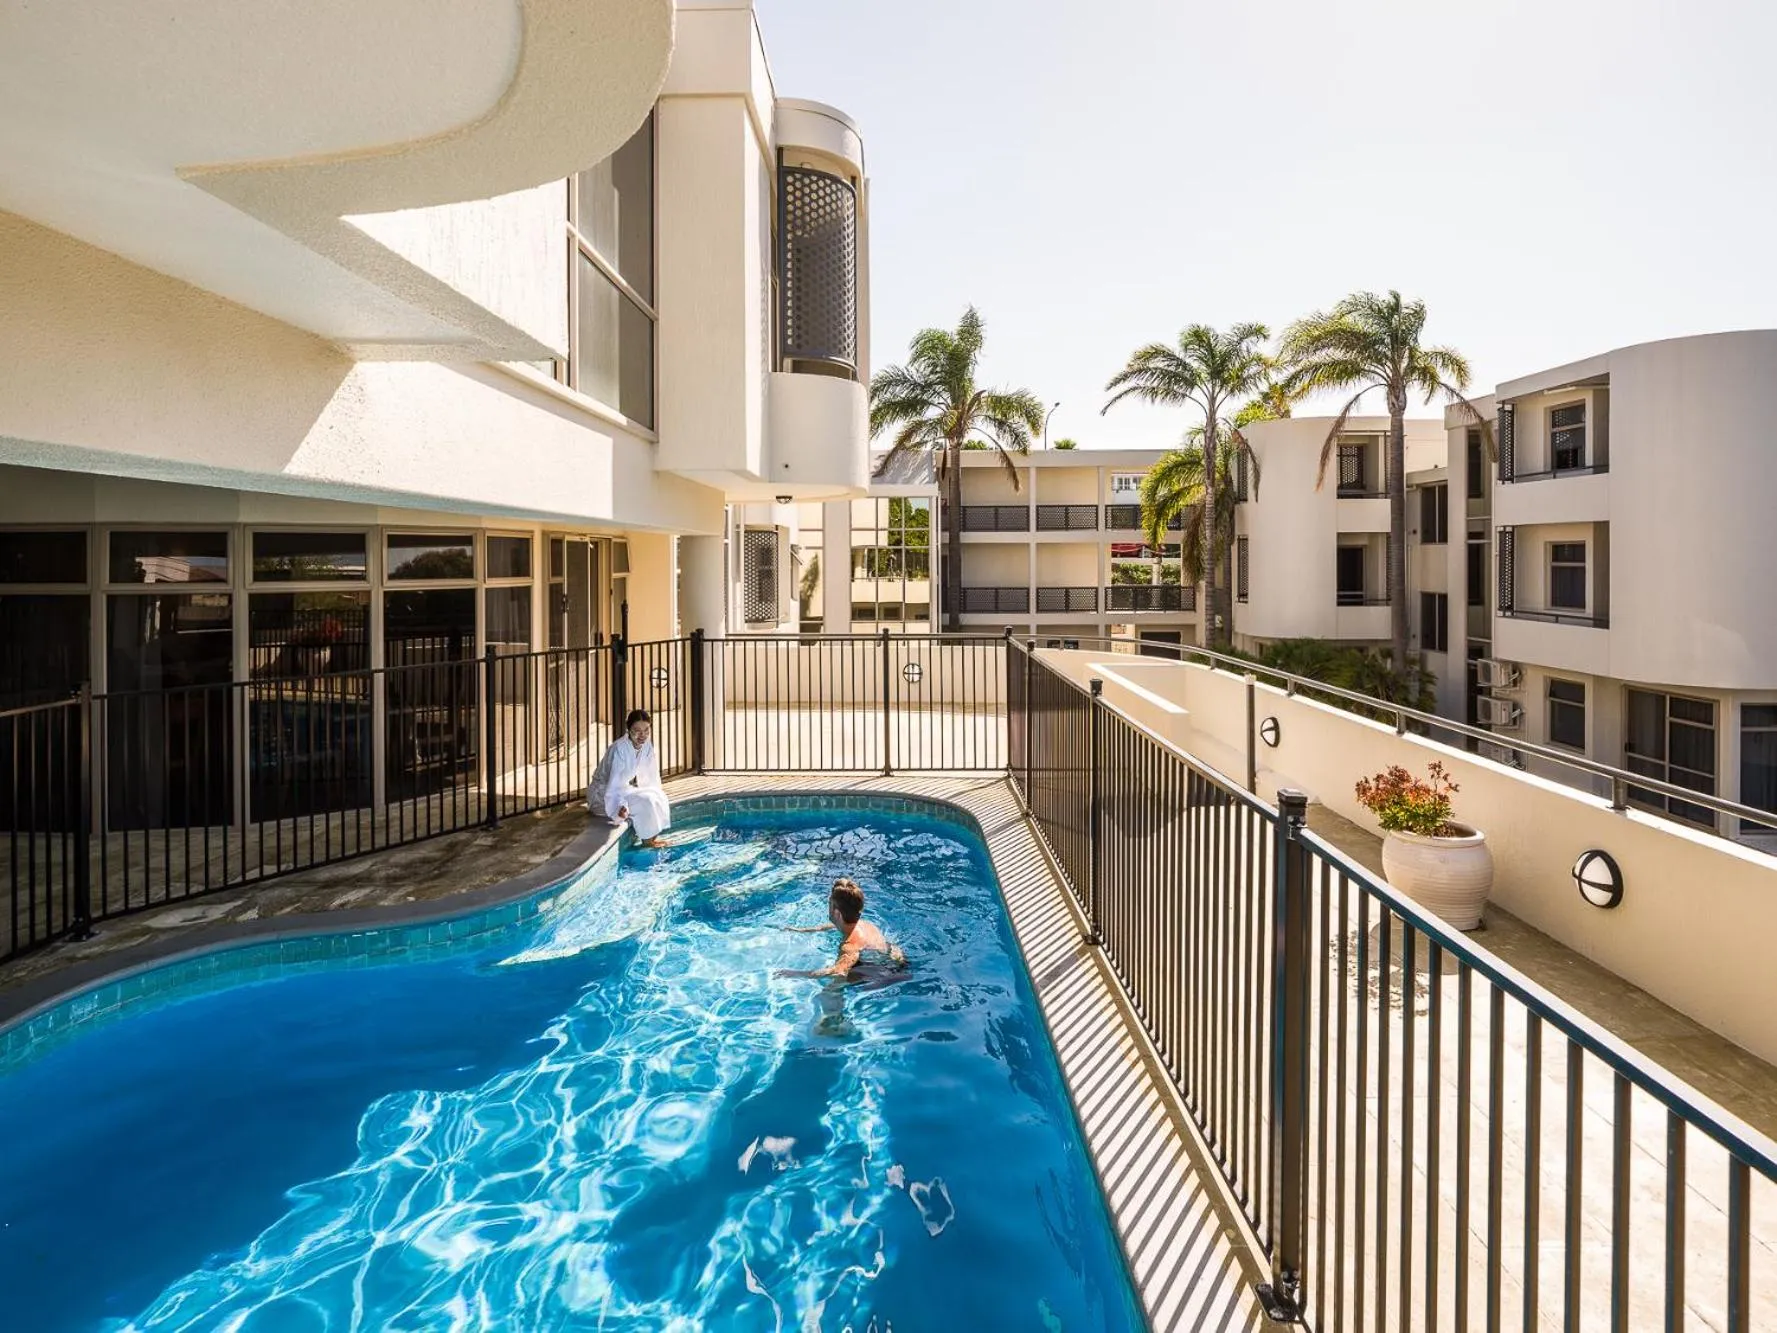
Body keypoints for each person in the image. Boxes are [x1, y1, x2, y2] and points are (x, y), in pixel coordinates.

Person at [775, 878, 907, 982]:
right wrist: (802, 930)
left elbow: (838, 971)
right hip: (894, 962)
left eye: (830, 904)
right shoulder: (866, 924)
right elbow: (832, 926)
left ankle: (832, 1016)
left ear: (837, 913)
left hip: (880, 974)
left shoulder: (849, 946)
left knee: (833, 987)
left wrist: (794, 974)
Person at [588, 709, 671, 848]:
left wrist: (653, 793)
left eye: (646, 730)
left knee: (657, 796)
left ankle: (652, 837)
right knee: (646, 801)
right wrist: (619, 806)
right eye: (637, 730)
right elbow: (614, 785)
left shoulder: (646, 745)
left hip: (622, 788)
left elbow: (651, 777)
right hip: (602, 796)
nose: (642, 735)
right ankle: (647, 842)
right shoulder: (620, 748)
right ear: (628, 729)